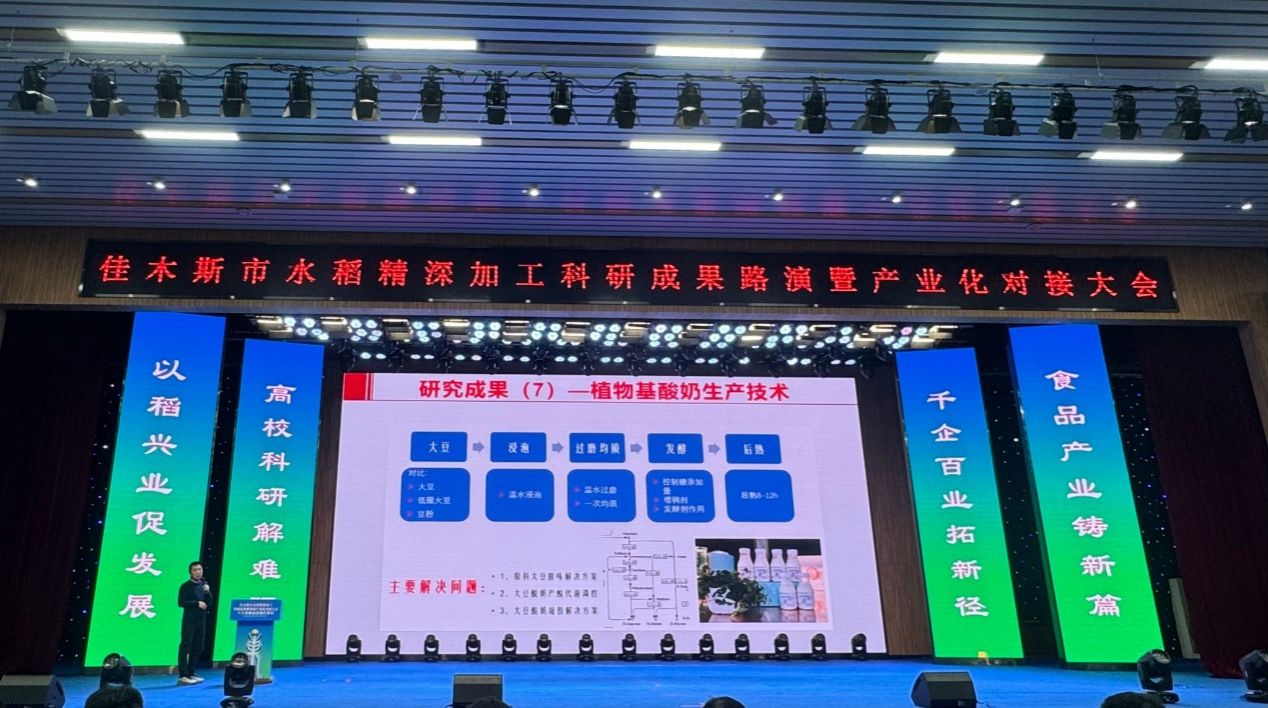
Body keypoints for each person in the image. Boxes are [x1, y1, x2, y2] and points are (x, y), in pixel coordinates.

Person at [177, 561, 213, 685]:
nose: (198, 572)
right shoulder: (185, 586)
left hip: (201, 621)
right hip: (189, 621)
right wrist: (196, 603)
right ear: (190, 572)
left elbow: (210, 602)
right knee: (185, 647)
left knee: (198, 647)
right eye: (195, 570)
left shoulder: (204, 586)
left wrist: (208, 592)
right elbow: (181, 602)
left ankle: (191, 672)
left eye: (199, 570)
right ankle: (183, 675)